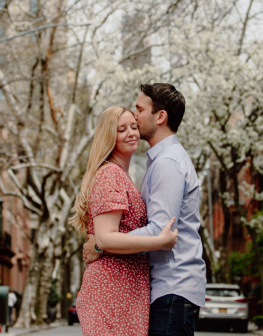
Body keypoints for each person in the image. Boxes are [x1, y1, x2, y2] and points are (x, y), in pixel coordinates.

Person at [84, 83, 207, 336]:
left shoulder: (167, 164)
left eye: (139, 111)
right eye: (123, 127)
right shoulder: (149, 165)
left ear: (160, 116)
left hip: (172, 285)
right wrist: (102, 241)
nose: (135, 118)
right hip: (156, 288)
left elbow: (160, 231)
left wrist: (100, 245)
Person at [70, 105, 179, 336]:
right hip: (111, 290)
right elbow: (105, 237)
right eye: (121, 129)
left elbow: (101, 238)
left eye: (133, 127)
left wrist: (99, 245)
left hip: (125, 290)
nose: (131, 133)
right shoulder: (110, 174)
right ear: (109, 136)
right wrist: (160, 241)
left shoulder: (120, 175)